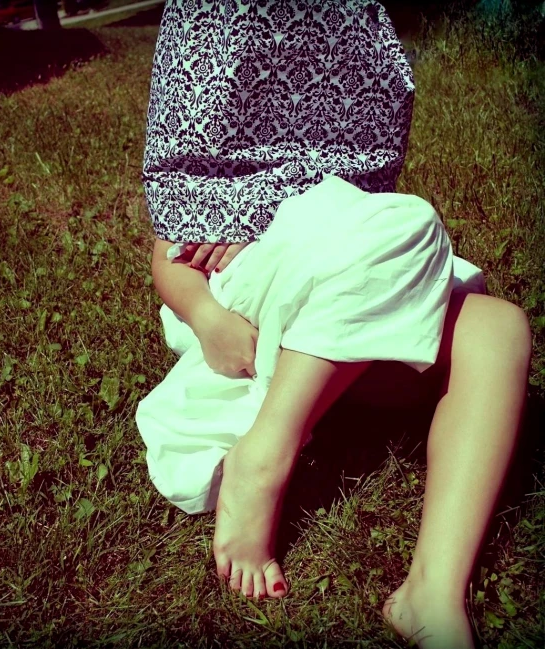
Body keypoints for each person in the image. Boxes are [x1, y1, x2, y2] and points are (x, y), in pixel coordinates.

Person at [136, 2, 533, 648]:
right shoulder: (214, 71)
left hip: (348, 287)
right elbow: (168, 253)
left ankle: (431, 589)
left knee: (500, 329)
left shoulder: (345, 48)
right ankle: (262, 457)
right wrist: (207, 316)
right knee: (408, 226)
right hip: (266, 303)